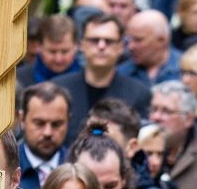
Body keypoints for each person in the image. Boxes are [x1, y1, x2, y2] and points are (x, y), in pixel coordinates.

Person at [55, 13, 152, 141]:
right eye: (94, 40)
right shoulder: (59, 90)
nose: (101, 46)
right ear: (82, 44)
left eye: (109, 41)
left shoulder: (139, 94)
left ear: (120, 47)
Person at [17, 84, 71, 189]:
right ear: (22, 119)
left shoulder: (78, 166)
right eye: (39, 123)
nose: (48, 133)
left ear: (68, 121)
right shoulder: (6, 169)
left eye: (56, 124)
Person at [117, 10, 181, 85]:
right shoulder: (121, 74)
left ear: (161, 41)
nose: (130, 46)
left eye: (138, 40)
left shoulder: (185, 70)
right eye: (129, 39)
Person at [18, 14, 82, 85]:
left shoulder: (90, 80)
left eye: (65, 52)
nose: (58, 59)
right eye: (52, 52)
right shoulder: (18, 79)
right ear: (39, 47)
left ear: (77, 46)